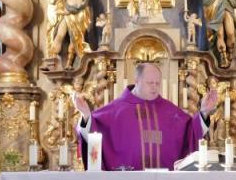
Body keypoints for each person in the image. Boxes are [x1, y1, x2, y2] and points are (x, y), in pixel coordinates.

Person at [73, 62, 218, 170]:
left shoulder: (169, 110)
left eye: (157, 83)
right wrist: (86, 115)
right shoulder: (115, 111)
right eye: (150, 83)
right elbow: (93, 132)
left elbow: (191, 132)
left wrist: (204, 111)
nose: (155, 87)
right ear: (136, 81)